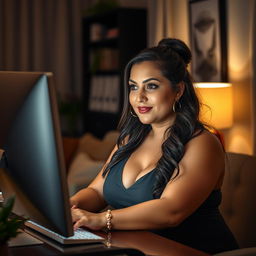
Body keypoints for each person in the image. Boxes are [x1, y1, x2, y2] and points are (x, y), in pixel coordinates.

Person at [70, 38, 239, 254]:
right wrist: (69, 206)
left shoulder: (203, 143)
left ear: (178, 91)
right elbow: (97, 191)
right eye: (133, 87)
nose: (139, 97)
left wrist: (102, 219)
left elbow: (171, 211)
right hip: (137, 249)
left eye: (151, 86)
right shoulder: (129, 138)